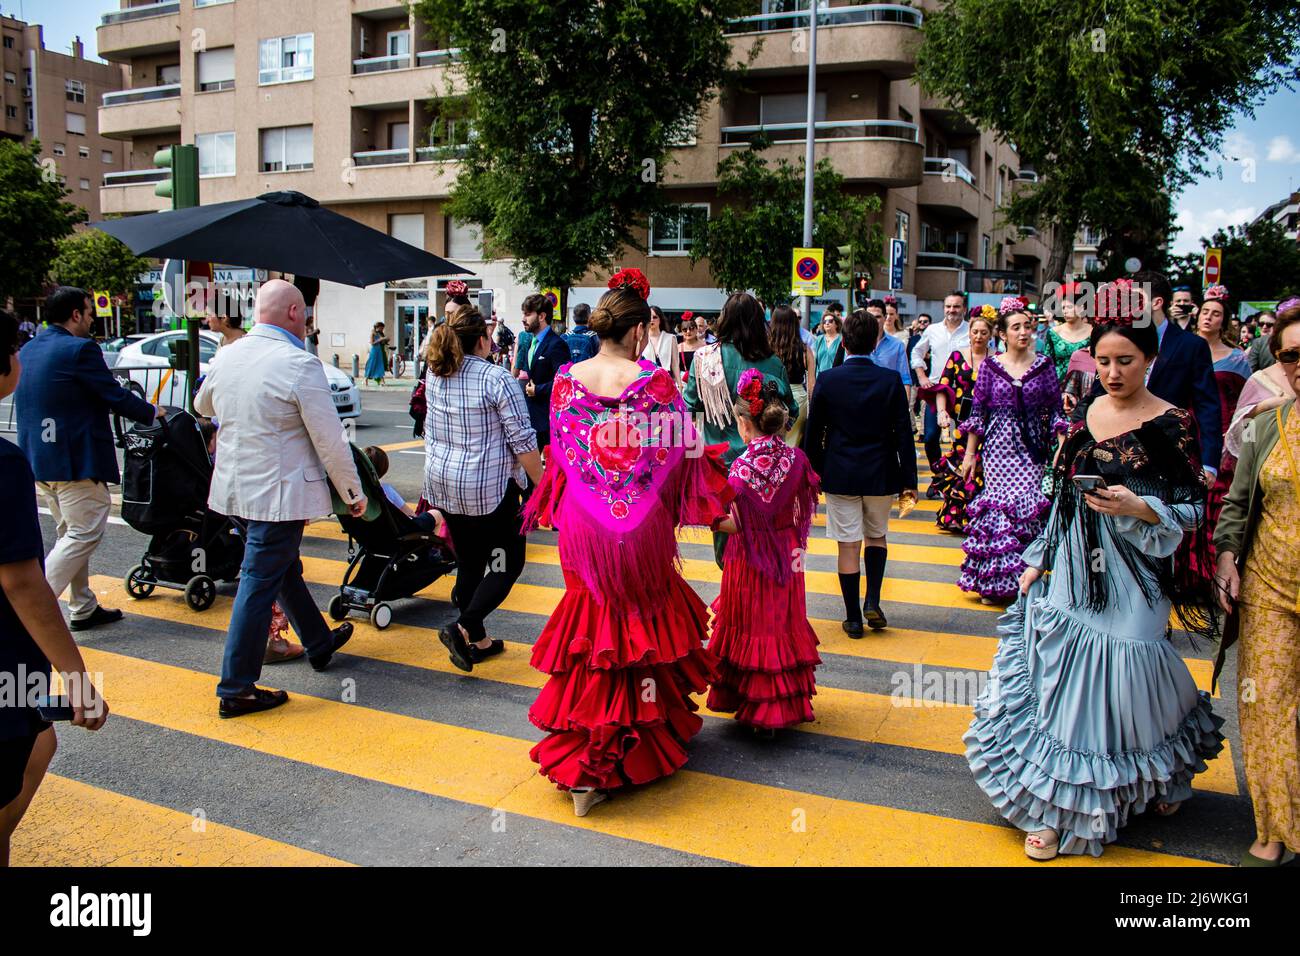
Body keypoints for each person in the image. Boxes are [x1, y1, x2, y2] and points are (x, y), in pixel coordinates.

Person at [966, 301, 1224, 860]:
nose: (1112, 372)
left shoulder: (1175, 423)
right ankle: (1061, 811)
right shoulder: (1084, 408)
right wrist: (1038, 555)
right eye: (1103, 360)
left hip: (1138, 571)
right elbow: (1061, 493)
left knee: (1133, 673)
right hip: (1078, 565)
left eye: (1125, 360)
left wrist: (1143, 507)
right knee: (1069, 686)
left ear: (1150, 359)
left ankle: (1161, 772)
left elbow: (1194, 508)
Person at [521, 268, 730, 817]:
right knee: (640, 625)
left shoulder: (566, 382)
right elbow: (687, 457)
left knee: (595, 628)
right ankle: (637, 743)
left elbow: (561, 459)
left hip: (585, 523)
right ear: (639, 332)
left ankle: (588, 762)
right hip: (641, 526)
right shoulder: (656, 385)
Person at [195, 279, 364, 718]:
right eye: (306, 315)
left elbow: (202, 405)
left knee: (281, 569)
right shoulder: (299, 364)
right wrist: (352, 492)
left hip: (234, 490)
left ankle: (318, 641)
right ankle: (236, 687)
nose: (308, 323)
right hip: (279, 495)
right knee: (259, 579)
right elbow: (331, 440)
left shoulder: (228, 354)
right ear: (294, 314)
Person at [0, 311, 110, 867]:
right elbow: (20, 580)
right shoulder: (0, 462)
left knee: (40, 739)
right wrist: (76, 678)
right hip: (4, 662)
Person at [16, 286, 163, 632]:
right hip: (74, 461)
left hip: (39, 460)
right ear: (76, 315)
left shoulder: (29, 348)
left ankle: (82, 606)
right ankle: (30, 612)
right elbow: (113, 394)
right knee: (83, 533)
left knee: (68, 530)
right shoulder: (80, 349)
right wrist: (152, 412)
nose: (93, 319)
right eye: (89, 312)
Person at [1213, 301, 1300, 866]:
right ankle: (1274, 825)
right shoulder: (1268, 424)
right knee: (1266, 705)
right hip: (1270, 583)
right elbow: (1238, 503)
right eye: (1292, 355)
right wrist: (1227, 557)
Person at [421, 307, 542, 671]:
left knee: (471, 560)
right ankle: (463, 626)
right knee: (508, 563)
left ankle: (478, 638)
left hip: (445, 483)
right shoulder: (496, 378)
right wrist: (544, 485)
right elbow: (522, 441)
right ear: (481, 340)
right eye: (489, 335)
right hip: (488, 489)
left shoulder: (435, 372)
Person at [708, 369, 821, 735]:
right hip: (787, 553)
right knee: (780, 625)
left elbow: (734, 524)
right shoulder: (797, 460)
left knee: (752, 626)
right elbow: (803, 505)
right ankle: (778, 707)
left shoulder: (740, 469)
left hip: (749, 557)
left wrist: (704, 515)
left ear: (744, 424)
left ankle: (756, 708)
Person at [805, 309, 918, 635]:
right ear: (875, 341)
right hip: (881, 472)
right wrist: (909, 481)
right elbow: (903, 434)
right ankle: (873, 600)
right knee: (877, 535)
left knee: (848, 544)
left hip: (840, 472)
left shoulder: (829, 380)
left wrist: (814, 474)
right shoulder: (890, 380)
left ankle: (853, 617)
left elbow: (815, 434)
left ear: (844, 340)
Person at [957, 297, 1065, 604]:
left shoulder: (1043, 366)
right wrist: (970, 454)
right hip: (997, 449)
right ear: (1002, 334)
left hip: (1032, 450)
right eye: (1015, 327)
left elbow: (1055, 410)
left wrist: (1060, 446)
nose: (1023, 332)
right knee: (999, 511)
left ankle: (1024, 581)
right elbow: (978, 413)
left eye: (1027, 327)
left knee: (1026, 509)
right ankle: (995, 583)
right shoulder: (991, 367)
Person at [1080, 271, 1223, 477]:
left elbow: (1207, 406)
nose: (1128, 304)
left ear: (1156, 302)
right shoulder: (1113, 337)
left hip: (1166, 450)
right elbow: (1098, 390)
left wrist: (1209, 464)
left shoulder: (1191, 345)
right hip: (1112, 446)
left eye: (1136, 298)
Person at [926, 308, 994, 534]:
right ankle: (956, 514)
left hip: (990, 421)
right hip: (963, 422)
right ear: (970, 333)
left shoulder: (997, 360)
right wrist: (942, 412)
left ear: (990, 335)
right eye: (975, 331)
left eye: (984, 332)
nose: (978, 336)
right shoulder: (957, 356)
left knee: (984, 463)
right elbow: (943, 387)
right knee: (961, 461)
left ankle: (981, 516)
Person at [1196, 287, 1252, 527]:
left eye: (1216, 313)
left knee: (1217, 500)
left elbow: (1250, 402)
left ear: (1224, 321)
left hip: (1223, 437)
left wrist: (1244, 440)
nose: (1208, 317)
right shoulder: (1181, 350)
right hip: (1189, 432)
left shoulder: (1238, 358)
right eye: (1205, 311)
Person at [912, 292, 971, 487]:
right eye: (948, 306)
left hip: (964, 392)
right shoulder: (932, 330)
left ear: (964, 308)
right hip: (937, 390)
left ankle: (961, 478)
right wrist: (922, 376)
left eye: (956, 306)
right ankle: (938, 474)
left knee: (963, 437)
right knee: (929, 437)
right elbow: (917, 352)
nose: (952, 310)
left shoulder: (971, 330)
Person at [517, 292, 570, 450]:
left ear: (541, 316)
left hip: (548, 419)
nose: (523, 319)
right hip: (532, 416)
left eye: (527, 314)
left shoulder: (556, 344)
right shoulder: (531, 341)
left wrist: (538, 390)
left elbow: (565, 381)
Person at [767, 304, 815, 448]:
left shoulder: (767, 348)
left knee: (773, 446)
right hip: (799, 399)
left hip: (772, 398)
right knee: (793, 447)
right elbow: (812, 384)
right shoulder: (804, 349)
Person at [1040, 281, 1092, 385]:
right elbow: (1046, 364)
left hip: (1086, 385)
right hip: (1057, 386)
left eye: (1069, 307)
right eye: (1063, 308)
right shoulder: (1054, 333)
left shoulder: (1093, 331)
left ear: (1081, 308)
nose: (1064, 311)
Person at [864, 300, 912, 389]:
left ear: (885, 317)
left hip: (887, 397)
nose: (873, 320)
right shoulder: (855, 343)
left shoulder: (897, 345)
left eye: (877, 317)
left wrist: (905, 402)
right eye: (870, 316)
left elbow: (905, 379)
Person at [642, 304, 681, 380]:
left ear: (660, 319)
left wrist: (679, 384)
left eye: (655, 317)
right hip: (646, 379)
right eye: (649, 317)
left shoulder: (671, 338)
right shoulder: (641, 338)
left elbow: (675, 364)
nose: (651, 320)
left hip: (666, 380)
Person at [678, 310, 705, 380]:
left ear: (696, 329)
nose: (688, 332)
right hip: (684, 382)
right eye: (684, 329)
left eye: (691, 328)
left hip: (702, 380)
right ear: (681, 331)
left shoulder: (704, 346)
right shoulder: (678, 347)